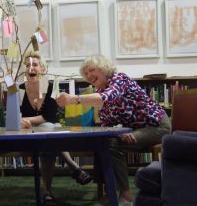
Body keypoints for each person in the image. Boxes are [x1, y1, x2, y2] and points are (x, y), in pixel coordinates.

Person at [56, 54, 171, 206]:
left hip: (157, 125)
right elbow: (106, 123)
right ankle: (109, 192)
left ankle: (125, 197)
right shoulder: (99, 90)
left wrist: (75, 99)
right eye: (86, 73)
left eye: (92, 70)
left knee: (112, 145)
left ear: (104, 69)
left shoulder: (119, 79)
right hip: (135, 128)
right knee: (102, 141)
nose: (89, 75)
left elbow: (108, 97)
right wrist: (120, 131)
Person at [19, 52, 92, 206]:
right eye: (27, 65)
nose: (30, 68)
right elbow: (15, 115)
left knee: (49, 133)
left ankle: (47, 192)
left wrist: (26, 120)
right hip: (29, 134)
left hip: (50, 131)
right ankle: (74, 167)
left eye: (35, 65)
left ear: (43, 69)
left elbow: (48, 117)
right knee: (52, 132)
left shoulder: (51, 87)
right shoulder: (19, 89)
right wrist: (23, 121)